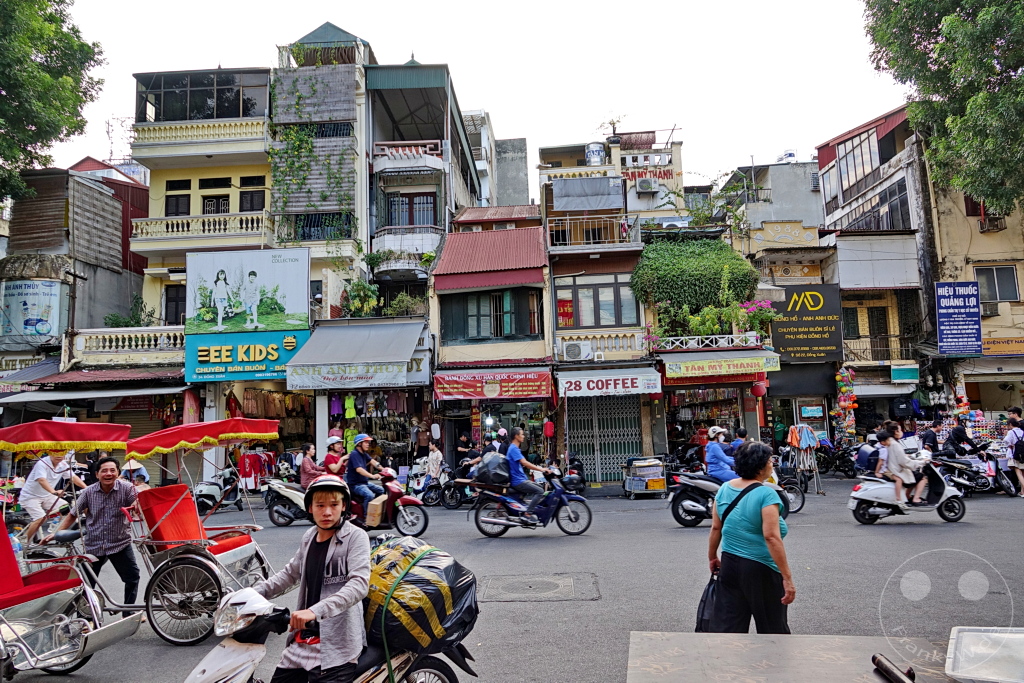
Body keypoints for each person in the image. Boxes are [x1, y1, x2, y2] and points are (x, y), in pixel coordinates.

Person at [253, 475, 371, 683]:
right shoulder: (309, 536)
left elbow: (359, 585)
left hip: (337, 644)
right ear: (310, 508)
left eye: (334, 504)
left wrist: (314, 611)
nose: (327, 512)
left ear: (343, 506)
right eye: (320, 505)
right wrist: (249, 595)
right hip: (303, 639)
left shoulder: (355, 537)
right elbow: (289, 574)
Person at [708, 442, 795, 634]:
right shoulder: (766, 494)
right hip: (761, 569)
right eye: (770, 460)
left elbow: (716, 527)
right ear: (760, 465)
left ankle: (730, 664)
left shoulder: (724, 489)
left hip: (729, 565)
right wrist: (787, 578)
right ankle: (775, 664)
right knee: (773, 630)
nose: (772, 463)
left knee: (730, 630)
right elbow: (771, 537)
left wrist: (712, 556)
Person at [44, 457, 140, 617]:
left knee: (132, 578)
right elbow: (72, 515)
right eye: (104, 471)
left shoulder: (127, 488)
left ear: (117, 473)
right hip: (94, 545)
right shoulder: (89, 492)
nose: (108, 474)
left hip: (120, 543)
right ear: (97, 474)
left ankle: (128, 612)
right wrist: (55, 533)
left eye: (112, 470)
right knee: (86, 584)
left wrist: (138, 503)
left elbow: (138, 501)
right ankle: (85, 618)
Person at [21, 450, 86, 543]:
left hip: (47, 495)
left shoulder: (63, 465)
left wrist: (87, 488)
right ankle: (24, 542)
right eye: (56, 453)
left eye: (61, 453)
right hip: (30, 497)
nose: (59, 455)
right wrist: (54, 492)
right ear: (49, 453)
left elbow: (73, 477)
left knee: (69, 510)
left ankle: (55, 535)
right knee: (40, 518)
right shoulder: (42, 463)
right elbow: (41, 480)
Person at [506, 427, 550, 525]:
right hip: (518, 481)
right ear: (516, 436)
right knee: (540, 491)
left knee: (539, 487)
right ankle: (527, 514)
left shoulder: (514, 448)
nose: (523, 436)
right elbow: (525, 463)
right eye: (522, 434)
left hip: (521, 479)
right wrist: (541, 469)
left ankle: (529, 509)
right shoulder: (513, 448)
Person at [881, 422, 928, 507]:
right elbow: (904, 462)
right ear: (896, 432)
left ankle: (907, 496)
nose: (902, 432)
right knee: (922, 477)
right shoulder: (895, 444)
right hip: (898, 471)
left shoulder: (891, 442)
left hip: (894, 469)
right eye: (900, 430)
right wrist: (921, 462)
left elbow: (899, 457)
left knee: (915, 476)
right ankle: (916, 499)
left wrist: (909, 457)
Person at [345, 434, 384, 513]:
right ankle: (366, 517)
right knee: (369, 495)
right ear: (359, 443)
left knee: (381, 490)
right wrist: (372, 476)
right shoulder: (354, 454)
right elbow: (359, 469)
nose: (368, 444)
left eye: (368, 442)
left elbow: (373, 462)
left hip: (364, 483)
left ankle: (376, 511)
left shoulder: (364, 454)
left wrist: (385, 470)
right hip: (355, 485)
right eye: (366, 442)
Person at [1003, 417, 1024, 497]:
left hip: (1015, 454)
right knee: (1023, 472)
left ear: (1010, 424)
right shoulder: (1022, 431)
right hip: (1023, 454)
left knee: (1018, 472)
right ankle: (1022, 492)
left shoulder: (1011, 432)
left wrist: (1010, 445)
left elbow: (1006, 440)